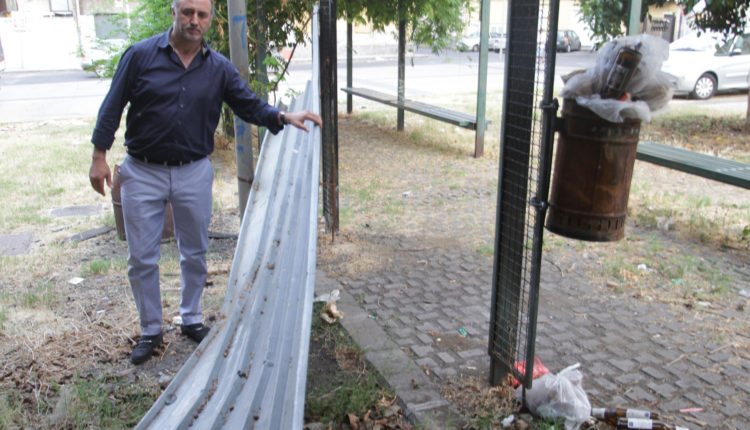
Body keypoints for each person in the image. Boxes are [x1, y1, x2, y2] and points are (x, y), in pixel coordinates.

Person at [88, 0, 322, 365]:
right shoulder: (139, 56)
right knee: (141, 258)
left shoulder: (219, 69)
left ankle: (191, 318)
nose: (194, 21)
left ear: (210, 20)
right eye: (187, 12)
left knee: (195, 251)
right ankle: (151, 329)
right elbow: (112, 106)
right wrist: (99, 156)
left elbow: (248, 105)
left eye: (202, 14)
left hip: (193, 171)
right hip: (143, 171)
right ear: (174, 11)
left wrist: (281, 115)